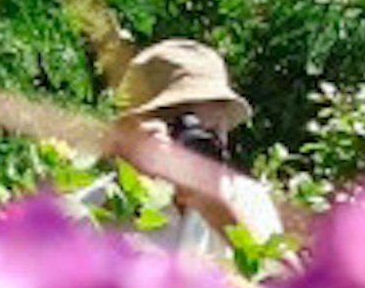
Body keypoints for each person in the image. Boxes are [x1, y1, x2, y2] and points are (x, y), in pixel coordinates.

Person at [109, 32, 281, 257]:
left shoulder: (248, 198)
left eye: (207, 132)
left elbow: (284, 283)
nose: (191, 144)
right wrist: (129, 184)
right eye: (176, 126)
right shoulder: (106, 198)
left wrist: (220, 211)